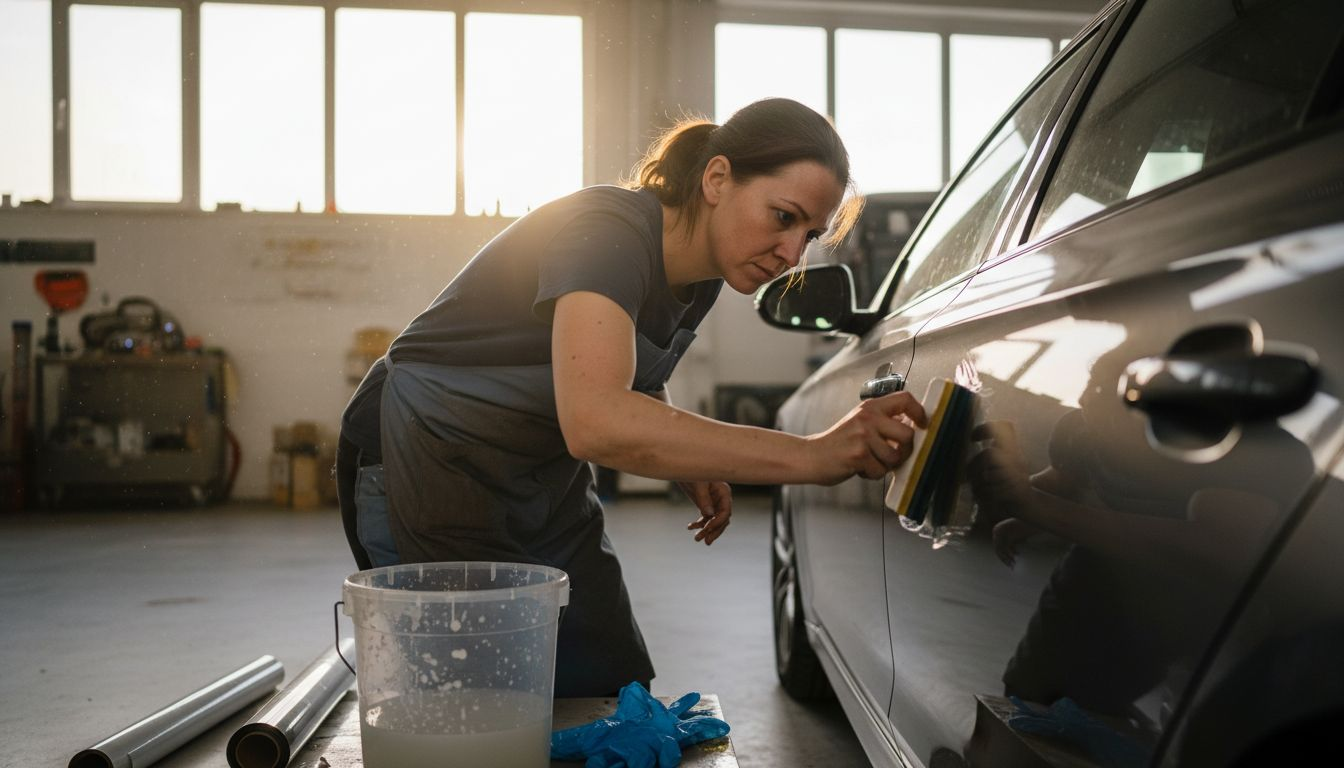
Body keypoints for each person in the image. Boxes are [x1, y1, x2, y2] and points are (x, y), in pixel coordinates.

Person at [336, 97, 927, 697]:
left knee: (608, 676)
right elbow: (595, 420)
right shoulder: (607, 232)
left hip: (538, 469)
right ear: (717, 178)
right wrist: (813, 455)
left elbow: (631, 371)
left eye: (810, 235)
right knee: (481, 698)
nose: (792, 255)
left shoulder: (704, 273)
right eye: (782, 217)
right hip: (426, 453)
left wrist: (689, 454)